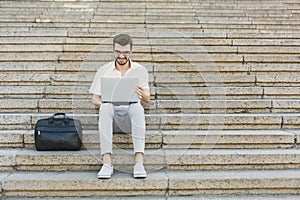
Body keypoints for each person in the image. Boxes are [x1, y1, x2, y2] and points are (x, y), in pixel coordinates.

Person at [89, 33, 150, 179]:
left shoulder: (140, 70)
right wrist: (108, 101)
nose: (122, 56)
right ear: (113, 50)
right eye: (118, 52)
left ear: (131, 51)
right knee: (105, 107)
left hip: (130, 120)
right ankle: (107, 163)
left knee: (137, 107)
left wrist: (141, 94)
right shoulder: (103, 70)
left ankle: (139, 162)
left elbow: (147, 98)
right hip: (112, 120)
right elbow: (95, 99)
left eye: (126, 52)